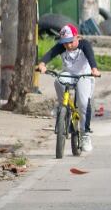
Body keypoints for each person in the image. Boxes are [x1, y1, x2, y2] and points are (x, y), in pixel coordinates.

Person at [37, 23, 101, 152]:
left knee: (83, 103)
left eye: (71, 42)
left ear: (78, 37)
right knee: (58, 81)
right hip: (69, 75)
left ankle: (85, 135)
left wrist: (94, 69)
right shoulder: (62, 46)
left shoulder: (84, 45)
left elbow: (91, 57)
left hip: (84, 75)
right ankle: (63, 106)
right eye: (65, 43)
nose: (68, 46)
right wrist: (42, 64)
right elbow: (50, 54)